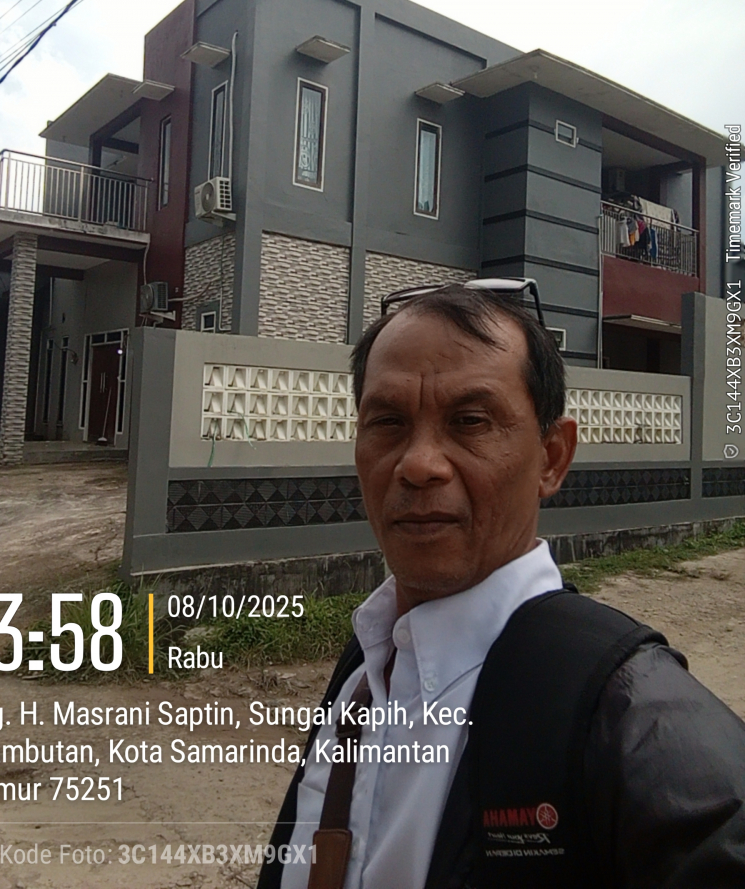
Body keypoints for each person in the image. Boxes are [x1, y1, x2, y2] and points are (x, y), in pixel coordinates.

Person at [258, 281, 745, 889]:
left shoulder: (628, 712)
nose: (419, 464)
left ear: (552, 457)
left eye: (470, 421)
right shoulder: (365, 668)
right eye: (388, 422)